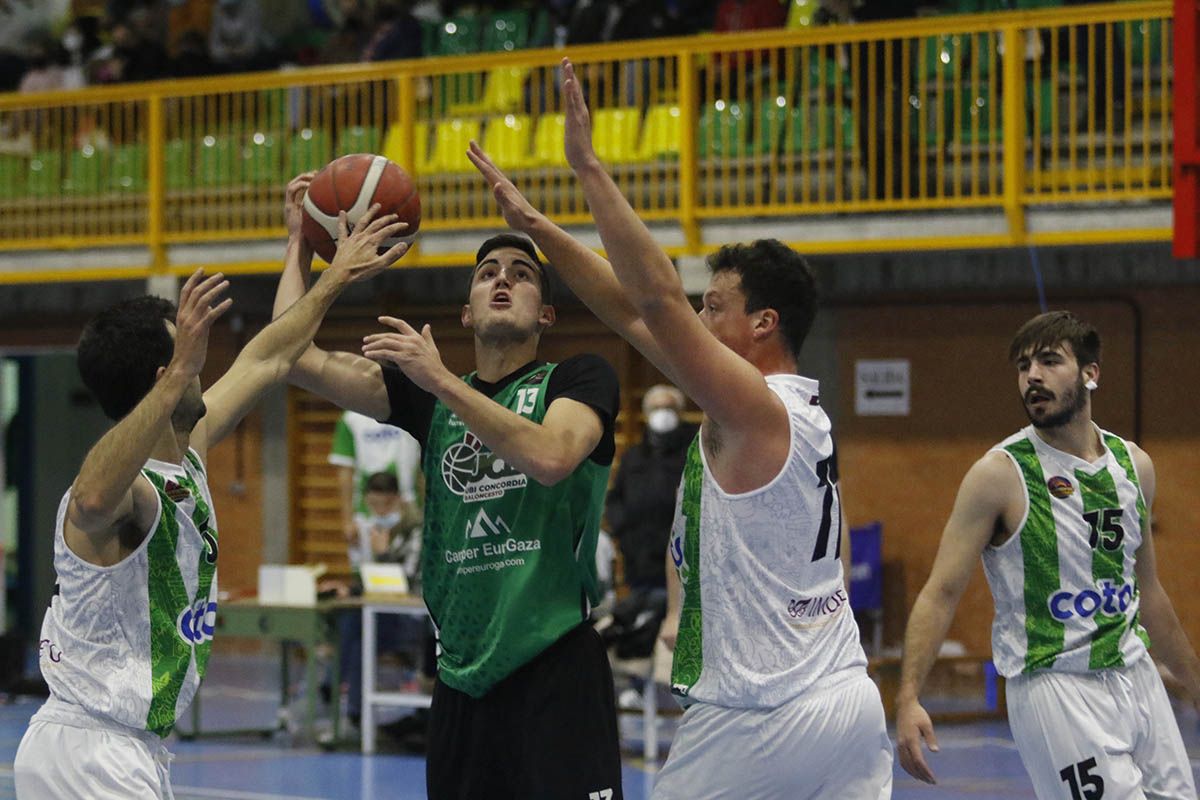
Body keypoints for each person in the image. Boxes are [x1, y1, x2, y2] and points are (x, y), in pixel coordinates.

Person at [465, 56, 892, 799]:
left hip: (761, 714)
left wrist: (589, 168)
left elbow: (655, 300)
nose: (697, 316)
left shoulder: (754, 409)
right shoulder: (801, 410)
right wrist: (535, 228)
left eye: (714, 306)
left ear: (763, 323)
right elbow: (631, 312)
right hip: (845, 700)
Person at [12, 177, 408, 799]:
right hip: (90, 750)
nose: (208, 358)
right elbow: (89, 500)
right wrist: (177, 378)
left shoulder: (186, 453)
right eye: (189, 351)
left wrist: (304, 252)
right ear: (165, 376)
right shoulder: (125, 491)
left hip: (126, 750)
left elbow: (272, 357)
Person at [272, 219, 623, 796]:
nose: (502, 280)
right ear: (467, 313)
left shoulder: (578, 378)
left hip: (556, 664)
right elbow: (289, 356)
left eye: (522, 274)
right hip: (461, 676)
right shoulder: (426, 399)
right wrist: (305, 248)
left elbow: (552, 455)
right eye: (487, 274)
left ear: (546, 315)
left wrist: (438, 380)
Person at [895, 310, 1200, 799]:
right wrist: (908, 696)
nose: (1032, 375)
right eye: (1023, 365)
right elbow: (942, 591)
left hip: (1135, 675)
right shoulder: (998, 475)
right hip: (1055, 687)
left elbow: (1150, 594)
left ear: (1090, 374)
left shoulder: (1134, 465)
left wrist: (1195, 683)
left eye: (1049, 360)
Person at [602, 384, 696, 659]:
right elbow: (615, 497)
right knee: (638, 624)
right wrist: (623, 530)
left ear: (679, 412)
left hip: (682, 560)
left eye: (668, 408)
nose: (662, 414)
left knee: (673, 629)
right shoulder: (634, 455)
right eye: (656, 408)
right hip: (639, 557)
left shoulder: (693, 449)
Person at [328, 409, 420, 567]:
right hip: (366, 513)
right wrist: (347, 521)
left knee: (409, 569)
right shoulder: (351, 418)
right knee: (366, 573)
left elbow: (423, 466)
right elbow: (345, 471)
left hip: (408, 511)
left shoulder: (413, 409)